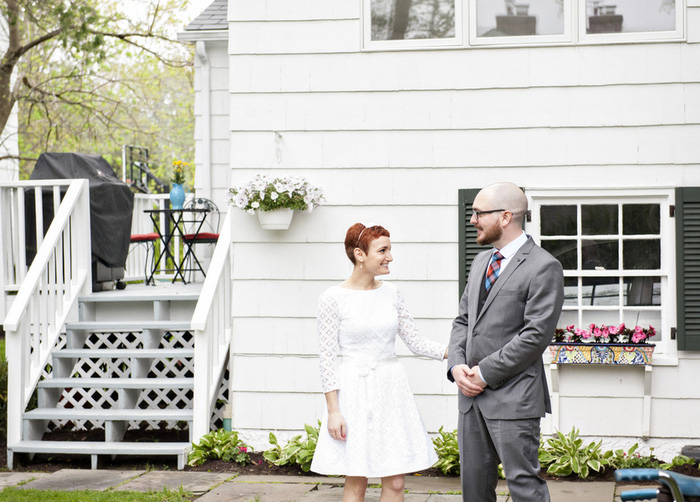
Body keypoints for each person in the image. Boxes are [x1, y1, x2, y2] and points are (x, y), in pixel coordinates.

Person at [311, 223, 448, 502]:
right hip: (353, 391)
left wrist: (459, 351)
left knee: (396, 481)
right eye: (383, 250)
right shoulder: (332, 299)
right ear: (360, 255)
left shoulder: (393, 293)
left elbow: (416, 342)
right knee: (356, 478)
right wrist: (333, 411)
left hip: (390, 388)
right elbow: (326, 358)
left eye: (390, 249)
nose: (390, 257)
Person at [447, 182, 564, 502]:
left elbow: (535, 337)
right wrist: (457, 366)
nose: (472, 220)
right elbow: (463, 322)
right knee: (473, 490)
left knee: (524, 486)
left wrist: (482, 374)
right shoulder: (480, 262)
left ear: (505, 216)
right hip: (469, 400)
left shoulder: (544, 266)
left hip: (515, 398)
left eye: (478, 213)